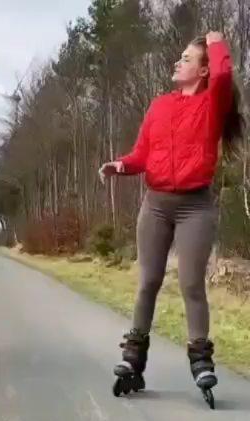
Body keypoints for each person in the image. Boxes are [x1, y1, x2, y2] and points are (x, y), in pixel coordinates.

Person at [99, 31, 244, 393]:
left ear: (204, 70)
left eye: (187, 58)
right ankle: (133, 357)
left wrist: (216, 40)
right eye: (179, 57)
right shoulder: (159, 106)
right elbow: (142, 155)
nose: (177, 62)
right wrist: (120, 165)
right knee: (148, 281)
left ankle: (200, 360)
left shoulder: (212, 103)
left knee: (191, 284)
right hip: (156, 204)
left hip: (195, 206)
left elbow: (226, 75)